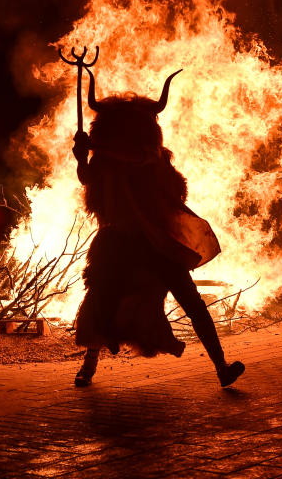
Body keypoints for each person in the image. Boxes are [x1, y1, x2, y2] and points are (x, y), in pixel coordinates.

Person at [71, 67, 244, 388]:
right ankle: (88, 365)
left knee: (191, 301)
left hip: (155, 240)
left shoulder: (153, 157)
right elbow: (88, 179)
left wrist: (92, 148)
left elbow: (142, 162)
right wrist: (82, 158)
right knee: (102, 297)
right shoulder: (104, 160)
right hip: (118, 240)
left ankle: (221, 367)